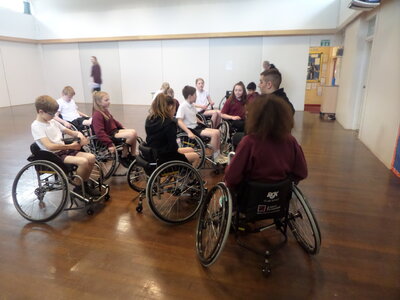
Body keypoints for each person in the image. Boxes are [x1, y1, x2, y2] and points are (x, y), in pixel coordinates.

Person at [225, 94, 307, 204]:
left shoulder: (249, 142)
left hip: (250, 199)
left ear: (256, 117)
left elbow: (232, 177)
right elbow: (301, 172)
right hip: (279, 197)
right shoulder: (291, 141)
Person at [31, 95, 100, 196]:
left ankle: (82, 184)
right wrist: (71, 146)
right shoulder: (36, 126)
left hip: (63, 151)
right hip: (53, 156)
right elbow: (50, 146)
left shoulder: (52, 121)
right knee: (83, 162)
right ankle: (79, 187)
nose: (54, 116)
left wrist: (80, 135)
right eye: (51, 114)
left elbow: (70, 131)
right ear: (41, 112)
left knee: (91, 157)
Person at [176, 85, 228, 164]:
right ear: (190, 96)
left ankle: (218, 155)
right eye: (195, 95)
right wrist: (189, 132)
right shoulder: (182, 106)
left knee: (217, 132)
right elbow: (179, 121)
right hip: (191, 129)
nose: (196, 96)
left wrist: (200, 121)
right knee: (214, 134)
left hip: (197, 127)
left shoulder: (192, 105)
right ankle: (215, 157)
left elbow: (194, 116)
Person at [145, 93, 199, 166]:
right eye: (174, 108)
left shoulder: (149, 119)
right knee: (196, 156)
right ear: (170, 107)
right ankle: (189, 175)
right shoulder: (169, 123)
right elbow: (173, 148)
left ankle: (185, 172)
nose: (175, 111)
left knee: (191, 149)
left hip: (154, 153)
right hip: (165, 158)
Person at [91, 91, 137, 168]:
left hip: (113, 131)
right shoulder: (97, 114)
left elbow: (113, 121)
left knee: (133, 132)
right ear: (99, 102)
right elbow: (99, 132)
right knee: (131, 135)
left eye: (109, 99)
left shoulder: (104, 110)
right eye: (106, 100)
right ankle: (123, 155)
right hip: (109, 135)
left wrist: (121, 127)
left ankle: (133, 154)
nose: (109, 102)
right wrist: (109, 144)